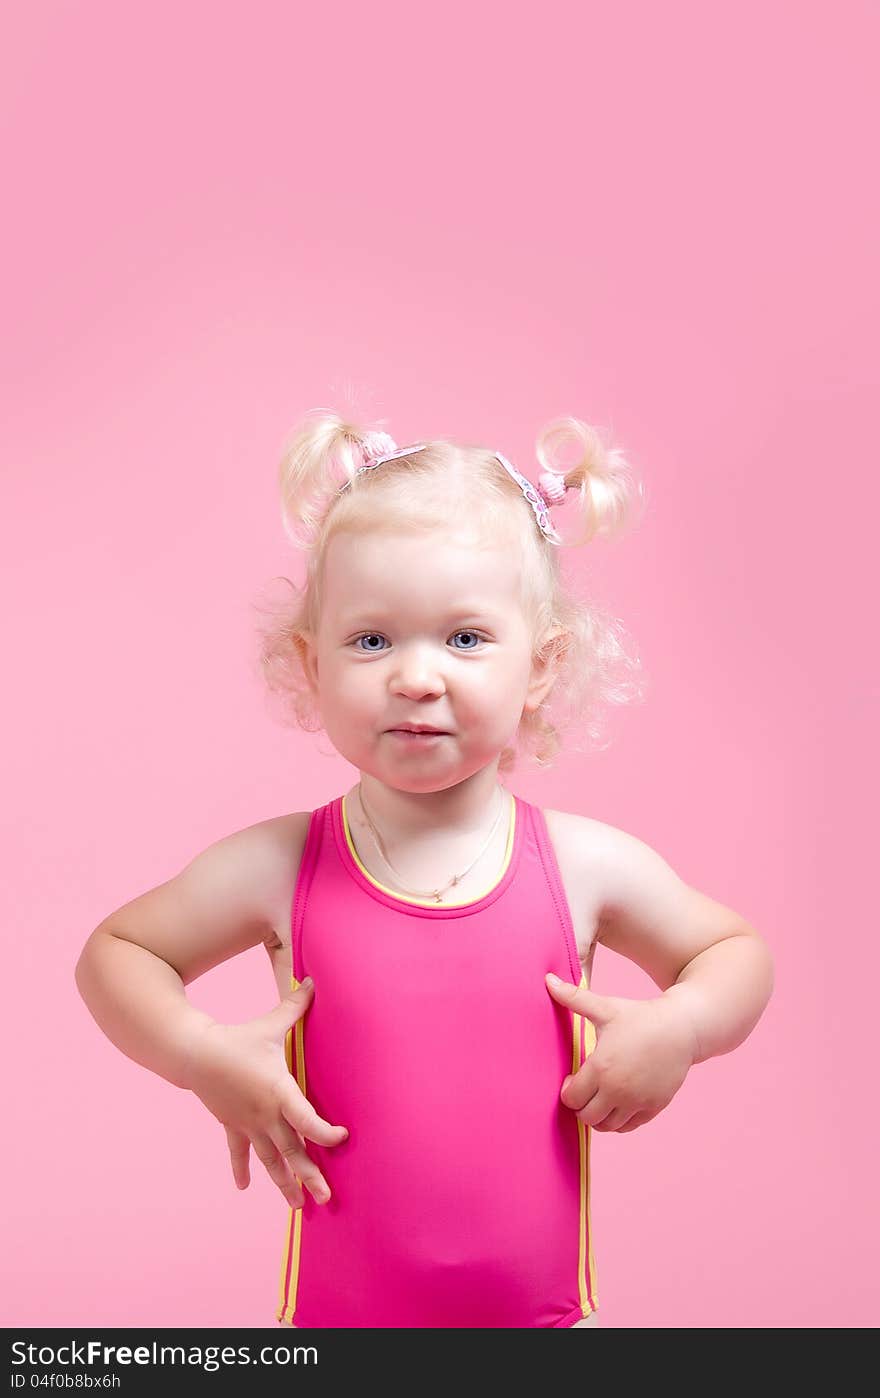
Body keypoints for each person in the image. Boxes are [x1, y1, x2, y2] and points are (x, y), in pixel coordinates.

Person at [74, 411, 774, 1329]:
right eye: (372, 641)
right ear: (310, 662)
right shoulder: (280, 864)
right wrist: (199, 1053)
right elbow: (116, 952)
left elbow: (734, 950)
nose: (416, 677)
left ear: (541, 666)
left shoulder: (584, 864)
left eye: (466, 639)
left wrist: (681, 1025)